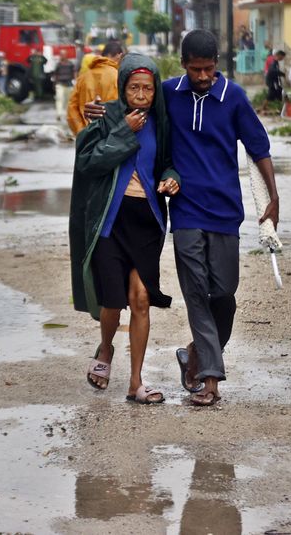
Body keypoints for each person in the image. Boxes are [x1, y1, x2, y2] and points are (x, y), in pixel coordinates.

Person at [85, 29, 278, 407]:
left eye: (208, 69)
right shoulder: (170, 94)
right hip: (186, 212)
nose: (202, 76)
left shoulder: (234, 98)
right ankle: (210, 380)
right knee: (195, 295)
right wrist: (101, 113)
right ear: (183, 65)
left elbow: (259, 148)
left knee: (224, 293)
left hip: (225, 212)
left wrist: (274, 198)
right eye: (195, 69)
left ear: (217, 65)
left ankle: (194, 354)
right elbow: (131, 104)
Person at [69, 53, 181, 405]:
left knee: (141, 299)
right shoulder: (106, 118)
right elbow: (89, 163)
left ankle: (136, 382)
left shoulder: (162, 123)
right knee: (113, 302)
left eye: (148, 88)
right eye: (134, 87)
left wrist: (171, 178)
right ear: (122, 87)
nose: (142, 94)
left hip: (146, 221)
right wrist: (122, 132)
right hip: (111, 220)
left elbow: (168, 163)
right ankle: (105, 348)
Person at [67, 41, 123, 135]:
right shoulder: (118, 77)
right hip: (111, 138)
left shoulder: (83, 77)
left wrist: (81, 132)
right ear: (119, 56)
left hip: (86, 136)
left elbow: (72, 109)